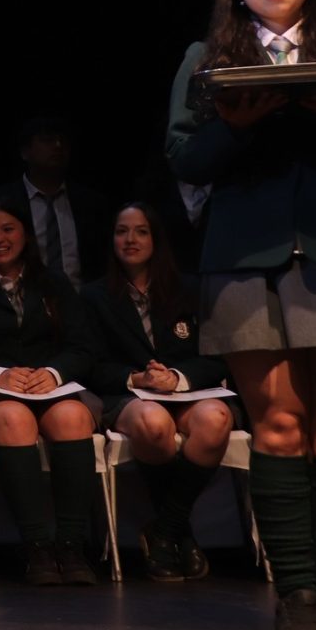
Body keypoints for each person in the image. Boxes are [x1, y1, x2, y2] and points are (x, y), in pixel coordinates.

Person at [165, 0, 316, 630]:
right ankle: (298, 594)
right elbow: (184, 160)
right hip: (244, 259)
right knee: (279, 424)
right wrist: (234, 126)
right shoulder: (208, 57)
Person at [0, 196, 101, 586]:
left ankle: (71, 545)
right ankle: (37, 547)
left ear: (25, 233)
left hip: (50, 386)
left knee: (73, 417)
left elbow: (83, 348)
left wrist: (54, 372)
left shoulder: (53, 282)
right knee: (15, 419)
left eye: (8, 229)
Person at [80, 202, 234, 582]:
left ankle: (164, 531)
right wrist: (138, 379)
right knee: (153, 424)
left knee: (216, 420)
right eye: (121, 231)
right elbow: (89, 365)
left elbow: (218, 358)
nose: (130, 239)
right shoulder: (93, 297)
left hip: (186, 392)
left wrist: (176, 377)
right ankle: (181, 533)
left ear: (156, 239)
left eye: (141, 231)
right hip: (130, 396)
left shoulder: (188, 290)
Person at [0, 116, 111, 292]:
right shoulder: (2, 201)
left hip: (82, 301)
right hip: (21, 301)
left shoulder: (90, 203)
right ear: (25, 152)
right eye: (48, 140)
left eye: (63, 141)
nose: (58, 146)